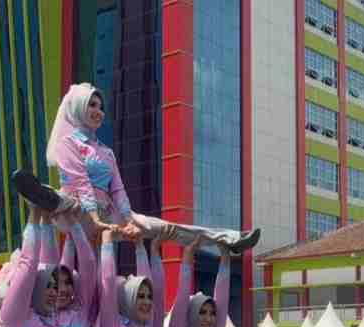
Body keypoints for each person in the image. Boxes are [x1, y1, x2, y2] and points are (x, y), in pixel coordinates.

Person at [16, 82, 260, 254]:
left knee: (166, 228)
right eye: (91, 105)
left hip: (109, 214)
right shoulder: (67, 144)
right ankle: (40, 195)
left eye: (100, 107)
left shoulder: (106, 152)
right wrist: (94, 219)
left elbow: (119, 189)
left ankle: (230, 239)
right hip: (78, 212)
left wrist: (131, 218)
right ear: (78, 108)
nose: (98, 112)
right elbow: (80, 183)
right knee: (65, 201)